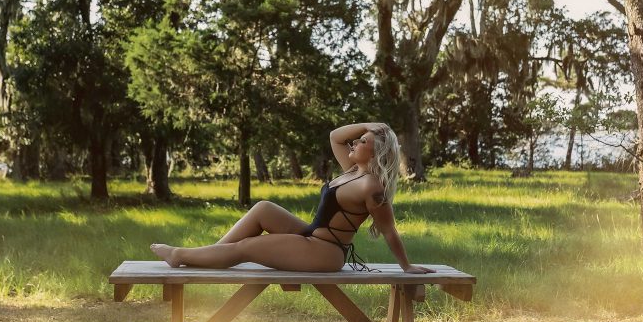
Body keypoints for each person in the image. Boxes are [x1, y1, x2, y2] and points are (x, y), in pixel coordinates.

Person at [150, 122, 434, 274]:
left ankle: (180, 256)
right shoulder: (351, 171)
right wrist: (370, 125)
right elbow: (335, 135)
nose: (355, 141)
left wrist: (406, 266)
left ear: (375, 153)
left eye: (363, 141)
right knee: (263, 209)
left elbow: (389, 230)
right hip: (312, 236)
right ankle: (208, 254)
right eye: (359, 138)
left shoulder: (370, 187)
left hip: (325, 251)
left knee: (248, 246)